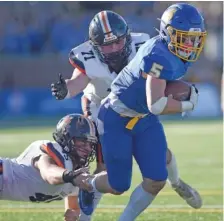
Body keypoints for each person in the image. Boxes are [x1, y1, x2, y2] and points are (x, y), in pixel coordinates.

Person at [79, 3, 207, 220]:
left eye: (192, 39)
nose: (189, 44)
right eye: (183, 37)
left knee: (156, 179)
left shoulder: (175, 52)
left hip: (142, 117)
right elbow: (155, 104)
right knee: (118, 185)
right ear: (168, 33)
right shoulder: (157, 55)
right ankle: (87, 185)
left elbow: (160, 92)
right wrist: (188, 105)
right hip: (116, 116)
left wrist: (184, 90)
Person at [51, 10, 150, 220]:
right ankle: (83, 210)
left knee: (160, 156)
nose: (114, 49)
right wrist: (65, 89)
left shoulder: (142, 47)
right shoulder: (87, 56)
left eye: (117, 42)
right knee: (105, 168)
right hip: (99, 108)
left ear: (127, 37)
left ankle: (177, 182)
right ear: (94, 46)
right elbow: (77, 82)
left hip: (130, 108)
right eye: (106, 45)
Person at [0, 113, 97, 221]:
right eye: (83, 142)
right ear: (67, 138)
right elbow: (48, 172)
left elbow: (73, 209)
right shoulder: (52, 153)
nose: (88, 148)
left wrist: (73, 214)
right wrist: (70, 176)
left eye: (90, 144)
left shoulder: (75, 171)